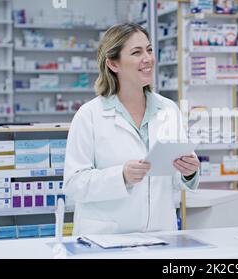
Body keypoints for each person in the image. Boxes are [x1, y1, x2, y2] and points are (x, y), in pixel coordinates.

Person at [64, 23, 200, 235]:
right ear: (113, 64)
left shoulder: (168, 110)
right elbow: (74, 184)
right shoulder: (89, 115)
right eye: (136, 52)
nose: (148, 58)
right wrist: (121, 176)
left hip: (160, 234)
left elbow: (174, 178)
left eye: (149, 50)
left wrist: (189, 172)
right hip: (107, 238)